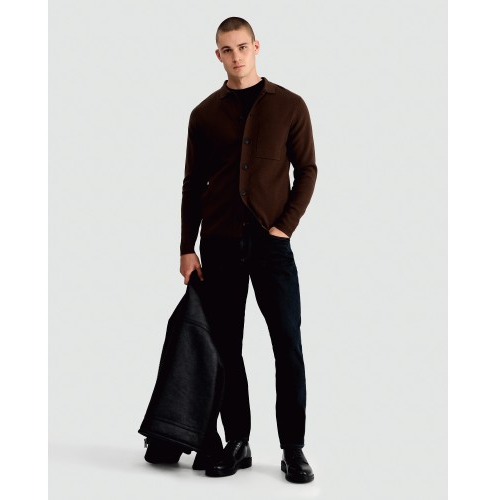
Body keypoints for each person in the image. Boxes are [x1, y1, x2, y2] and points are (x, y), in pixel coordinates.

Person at [179, 16, 317, 483]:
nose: (235, 56)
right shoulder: (203, 114)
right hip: (218, 245)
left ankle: (293, 448)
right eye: (226, 49)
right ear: (217, 55)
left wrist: (283, 228)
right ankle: (237, 442)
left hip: (271, 246)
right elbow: (192, 184)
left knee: (287, 346)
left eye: (242, 47)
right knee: (226, 347)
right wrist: (186, 247)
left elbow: (308, 170)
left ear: (256, 46)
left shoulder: (290, 105)